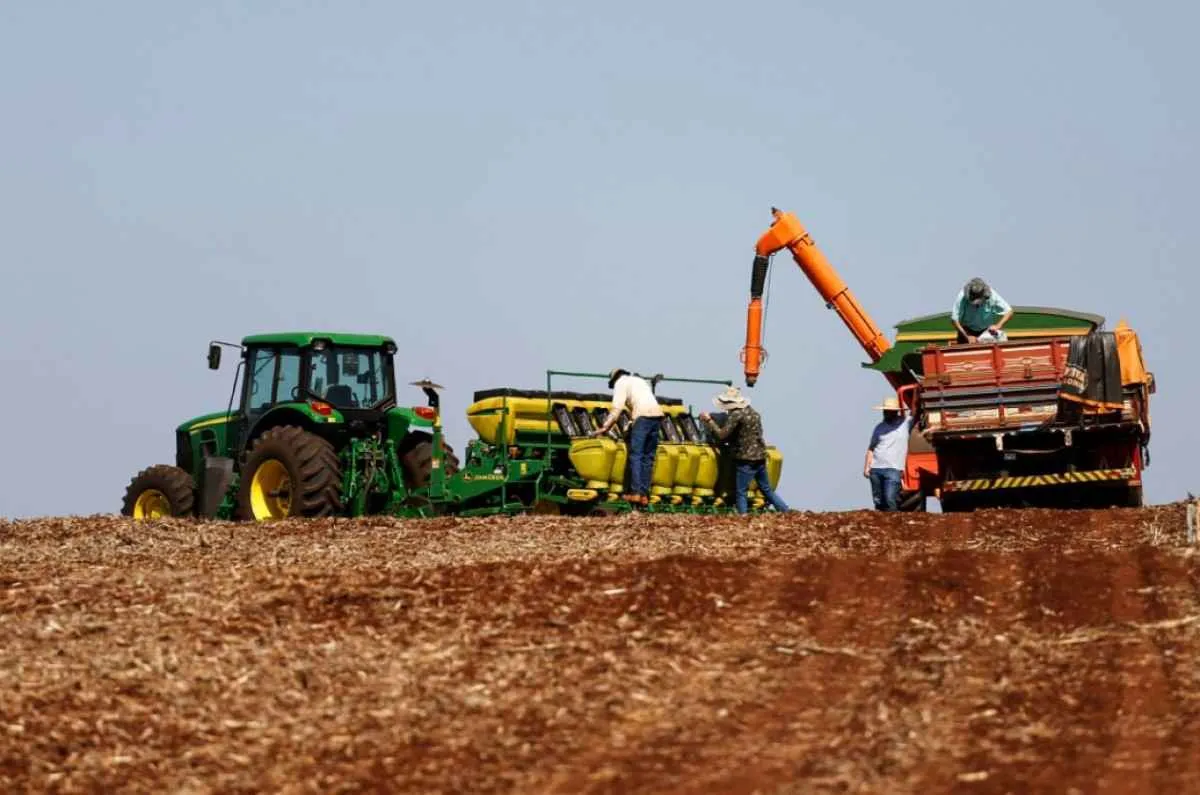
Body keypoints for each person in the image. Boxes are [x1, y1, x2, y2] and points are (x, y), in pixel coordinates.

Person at [699, 387, 790, 514]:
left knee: (741, 491)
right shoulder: (754, 413)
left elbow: (722, 435)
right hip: (760, 456)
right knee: (766, 489)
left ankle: (743, 516)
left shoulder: (736, 415)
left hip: (746, 459)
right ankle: (785, 510)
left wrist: (709, 421)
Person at [592, 368, 664, 506]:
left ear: (615, 379)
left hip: (642, 417)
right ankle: (644, 495)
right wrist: (630, 425)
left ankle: (635, 493)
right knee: (648, 457)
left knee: (635, 455)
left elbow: (616, 409)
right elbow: (641, 405)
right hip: (657, 416)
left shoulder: (620, 383)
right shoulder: (640, 381)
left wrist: (605, 427)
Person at [863, 395, 915, 511]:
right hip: (876, 468)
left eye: (889, 411)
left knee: (890, 499)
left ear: (895, 412)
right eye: (885, 411)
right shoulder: (879, 428)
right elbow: (871, 448)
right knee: (879, 501)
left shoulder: (905, 424)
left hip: (894, 469)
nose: (886, 413)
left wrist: (916, 393)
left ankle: (895, 524)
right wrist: (866, 467)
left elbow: (915, 410)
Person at [951, 277, 1013, 344]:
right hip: (966, 331)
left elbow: (1009, 311)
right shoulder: (962, 296)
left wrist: (998, 325)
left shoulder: (992, 295)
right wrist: (967, 336)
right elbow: (954, 320)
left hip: (986, 331)